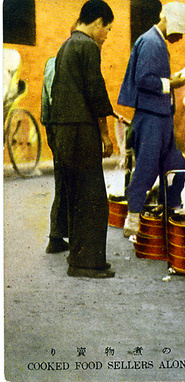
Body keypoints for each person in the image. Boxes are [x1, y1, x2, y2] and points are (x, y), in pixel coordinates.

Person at [49, 0, 115, 278]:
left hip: (63, 129)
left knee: (77, 194)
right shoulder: (88, 46)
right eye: (107, 29)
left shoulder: (67, 45)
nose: (107, 36)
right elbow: (96, 92)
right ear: (98, 22)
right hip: (80, 129)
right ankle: (87, 263)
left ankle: (78, 259)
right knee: (93, 197)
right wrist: (105, 133)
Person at [118, 2, 185, 237]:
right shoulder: (152, 42)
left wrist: (169, 79)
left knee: (177, 166)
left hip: (160, 116)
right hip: (151, 117)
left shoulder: (154, 40)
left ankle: (167, 209)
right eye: (180, 33)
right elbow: (144, 80)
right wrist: (174, 83)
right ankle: (134, 215)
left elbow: (151, 78)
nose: (180, 38)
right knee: (147, 167)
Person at [41, 56, 69, 254]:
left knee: (63, 179)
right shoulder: (58, 62)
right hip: (58, 125)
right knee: (64, 179)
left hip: (53, 124)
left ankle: (57, 236)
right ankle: (56, 236)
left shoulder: (56, 61)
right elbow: (54, 96)